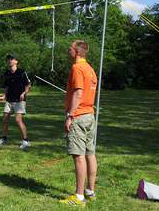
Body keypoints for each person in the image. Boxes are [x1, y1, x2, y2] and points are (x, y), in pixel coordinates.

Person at [59, 40, 98, 206]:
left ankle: (79, 196)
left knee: (79, 156)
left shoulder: (77, 68)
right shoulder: (90, 69)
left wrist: (70, 115)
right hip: (90, 115)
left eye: (70, 49)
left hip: (80, 116)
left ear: (77, 51)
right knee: (90, 153)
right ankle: (90, 191)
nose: (68, 51)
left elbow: (78, 92)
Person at [0, 54, 31, 149]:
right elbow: (7, 87)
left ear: (16, 61)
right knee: (5, 119)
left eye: (11, 59)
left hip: (19, 100)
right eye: (8, 59)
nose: (9, 61)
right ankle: (4, 138)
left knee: (18, 120)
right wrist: (4, 96)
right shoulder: (7, 73)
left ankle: (26, 140)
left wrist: (24, 93)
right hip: (9, 100)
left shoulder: (22, 72)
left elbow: (28, 85)